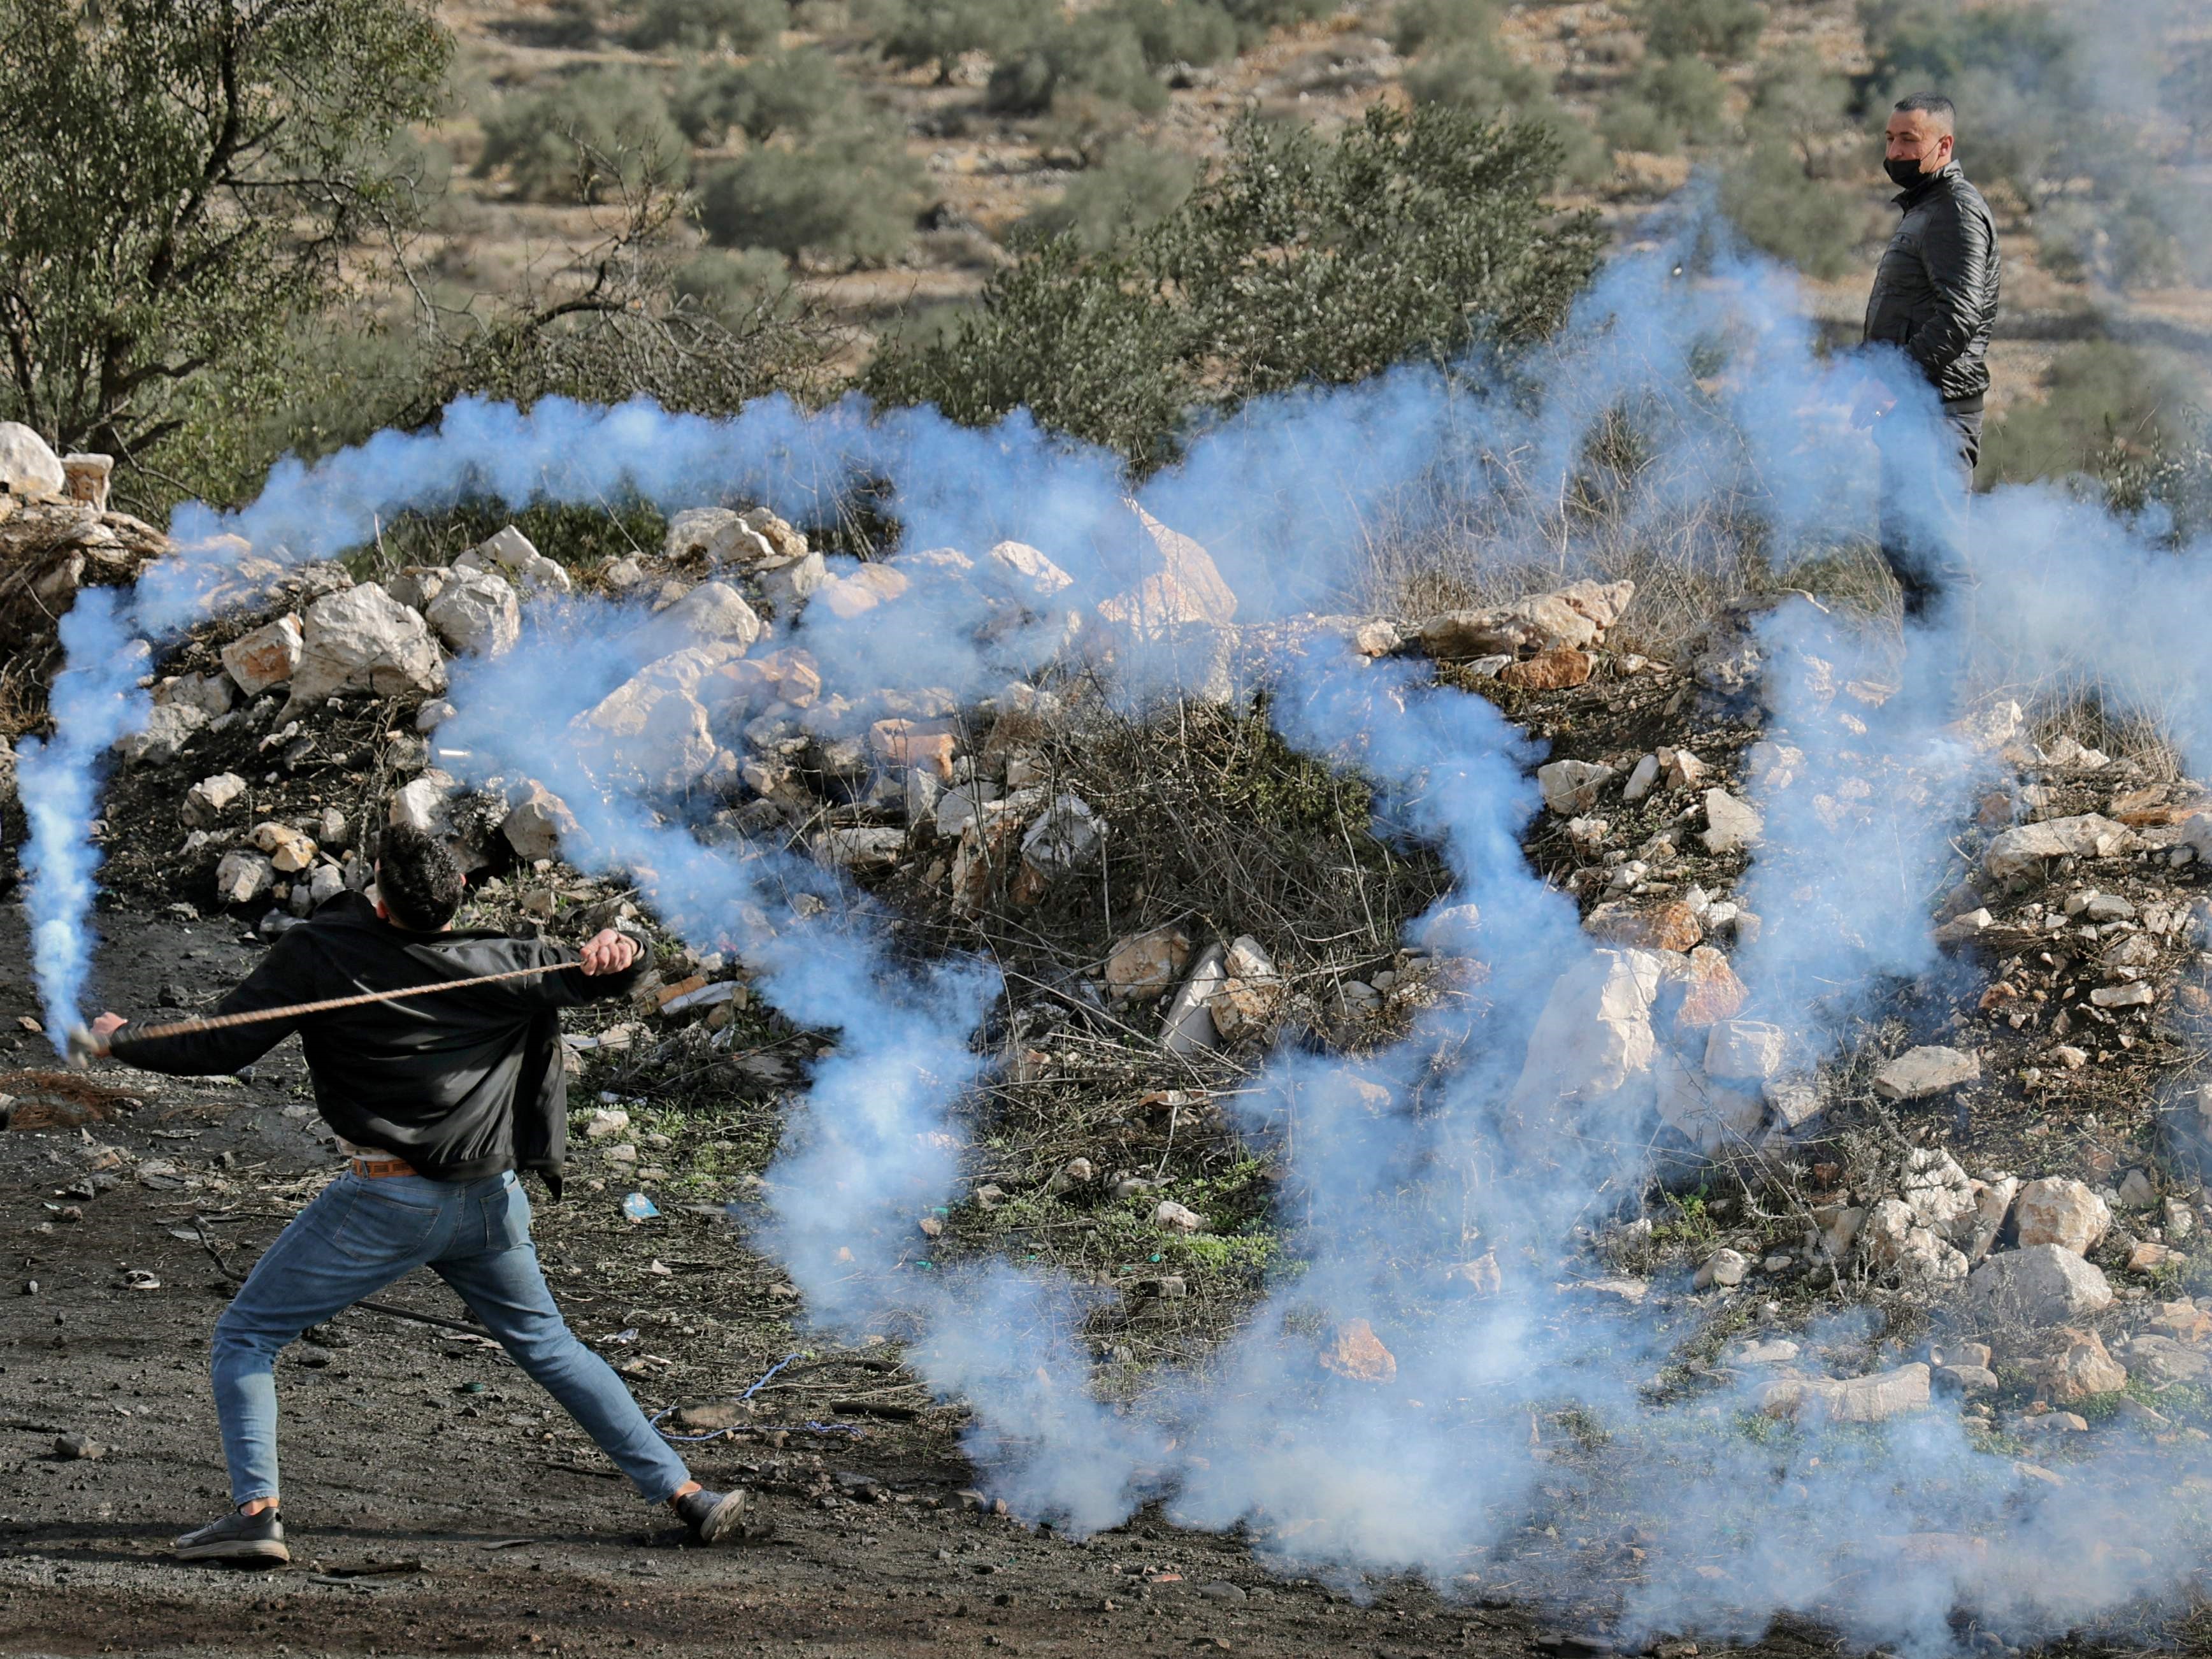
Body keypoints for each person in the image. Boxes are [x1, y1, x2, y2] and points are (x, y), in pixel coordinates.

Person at [90, 821, 752, 1563]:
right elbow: (618, 976)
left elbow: (221, 1043)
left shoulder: (320, 953)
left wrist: (124, 1039)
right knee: (552, 1347)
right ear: (460, 892)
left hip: (385, 1205)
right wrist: (625, 950)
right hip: (490, 1204)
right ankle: (688, 1496)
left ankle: (256, 1516)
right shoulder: (500, 960)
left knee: (245, 1337)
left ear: (379, 894)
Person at [1854, 92, 2002, 622]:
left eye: (1909, 140)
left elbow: (1959, 315)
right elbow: (1909, 309)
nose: (1895, 151)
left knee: (1937, 560)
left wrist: (1892, 381)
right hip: (1911, 410)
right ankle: (1919, 697)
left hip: (1936, 412)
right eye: (1891, 139)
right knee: (1908, 552)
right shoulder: (1928, 209)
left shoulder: (1955, 211)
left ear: (1944, 145)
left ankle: (1938, 701)